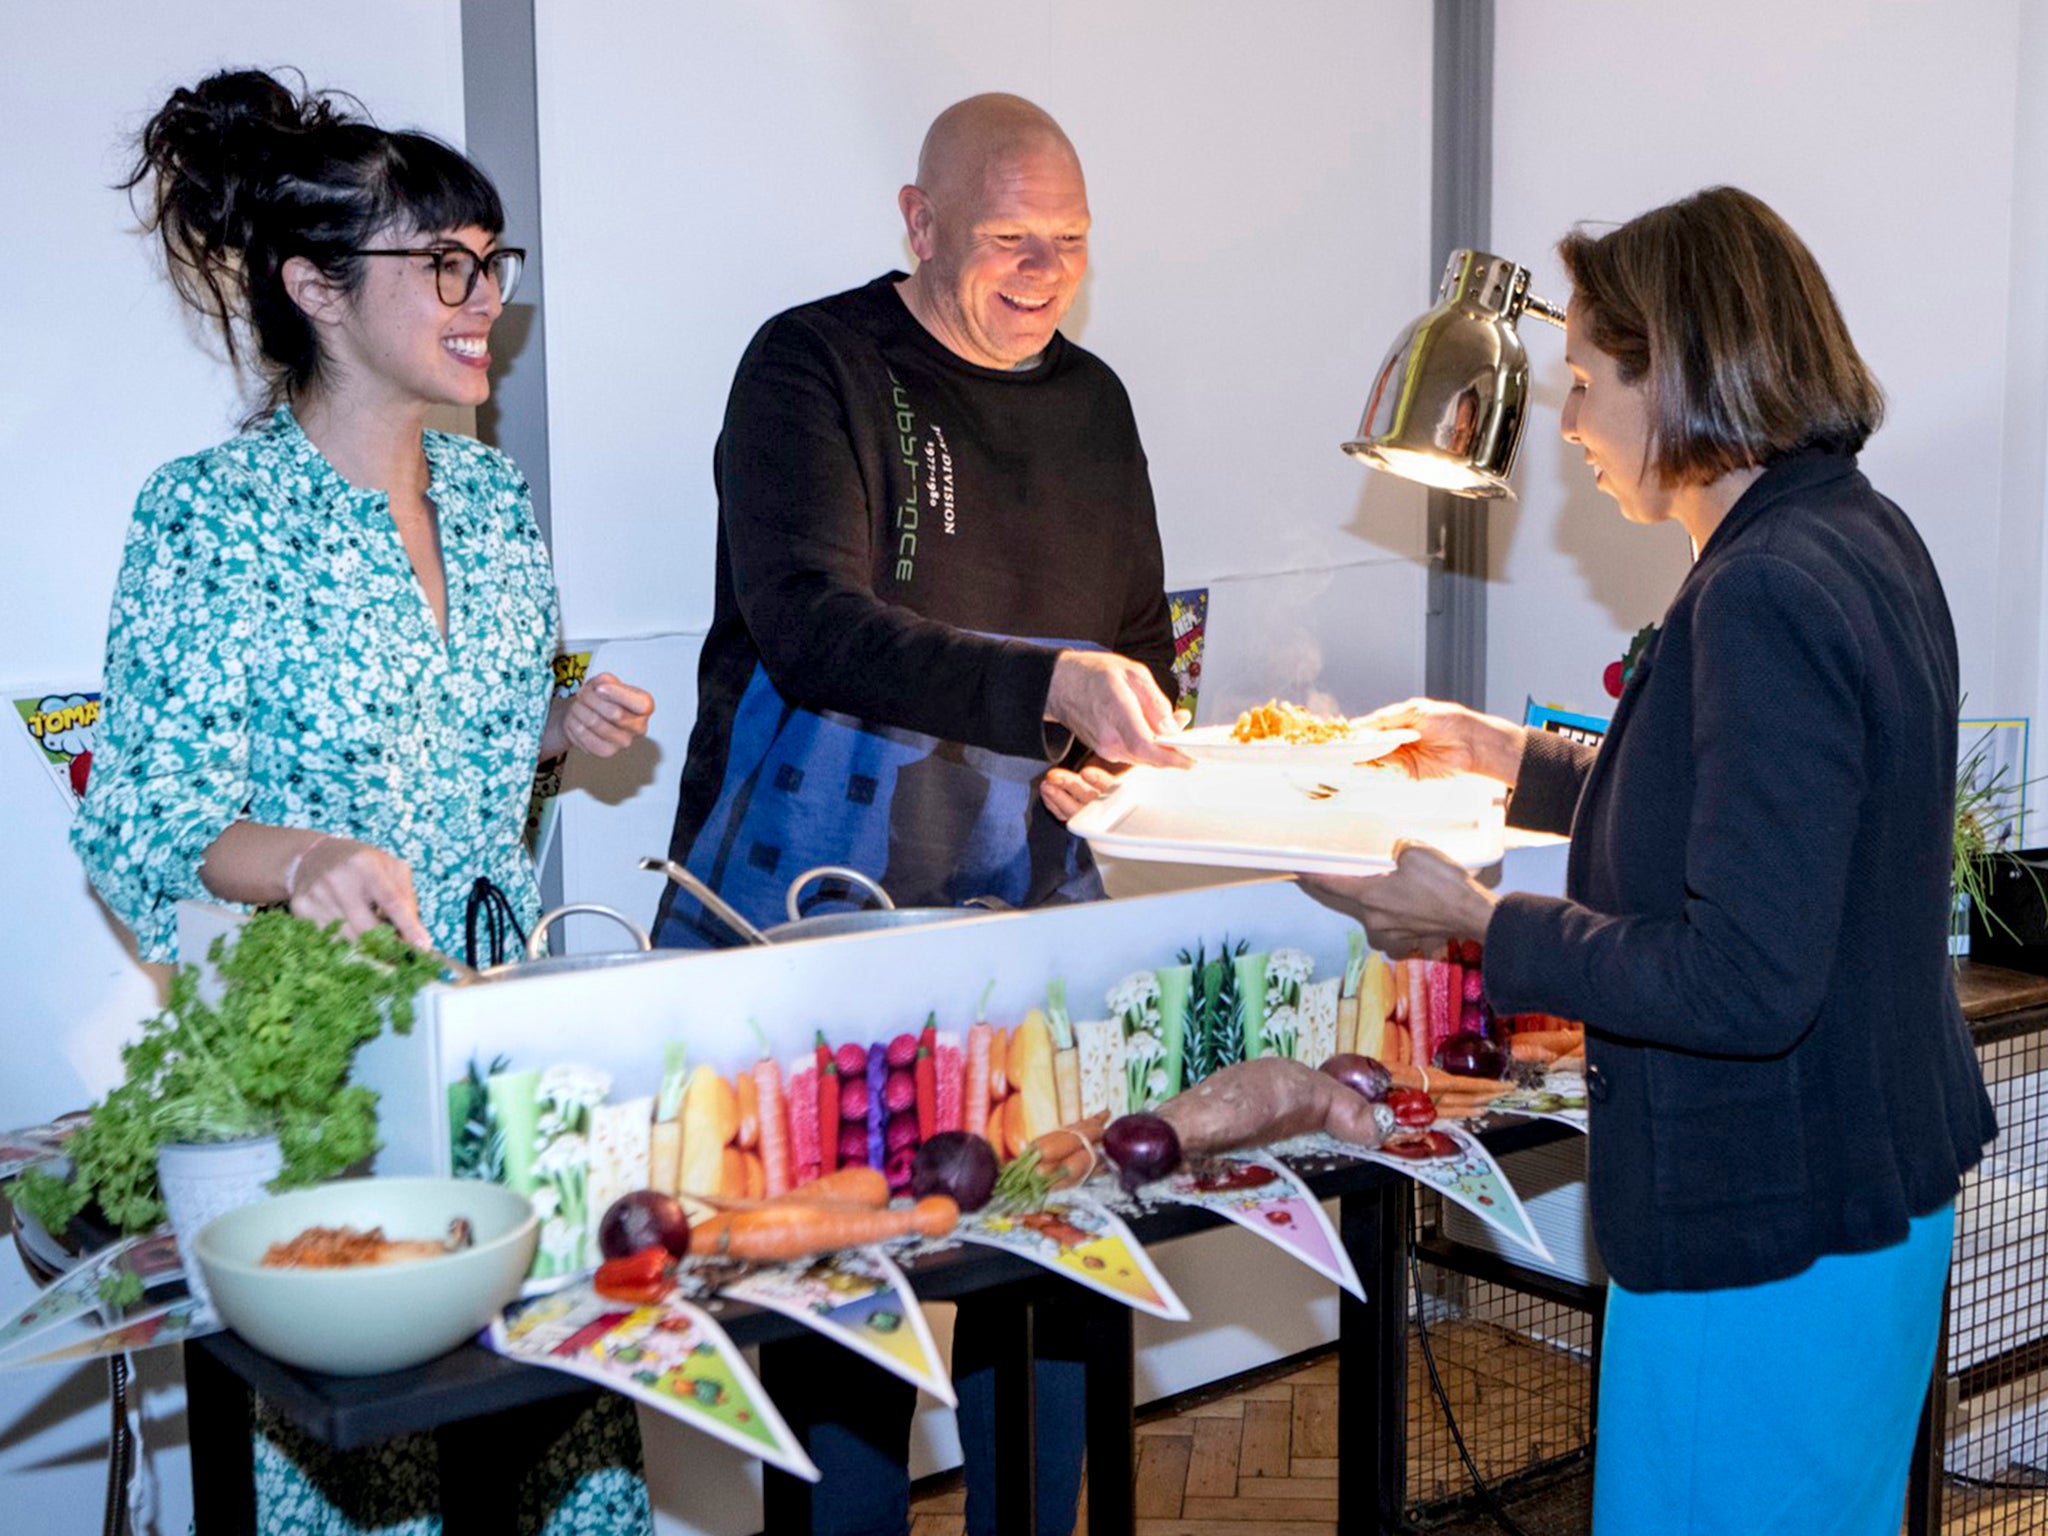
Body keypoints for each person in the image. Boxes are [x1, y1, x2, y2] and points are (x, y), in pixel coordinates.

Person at [1313, 186, 1996, 1536]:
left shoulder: (1762, 590)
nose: (1566, 429)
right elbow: (1774, 821)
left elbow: (1746, 976)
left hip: (1770, 1240)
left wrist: (1477, 920)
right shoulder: (1851, 532)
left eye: (1582, 383)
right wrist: (1513, 758)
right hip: (1858, 1211)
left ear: (1674, 376)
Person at [75, 68, 656, 1534]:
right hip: (324, 1100)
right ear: (317, 290)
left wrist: (548, 733)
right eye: (442, 264)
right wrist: (306, 858)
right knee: (363, 1485)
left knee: (564, 1463)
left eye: (490, 261)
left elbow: (443, 767)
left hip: (503, 1056)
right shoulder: (208, 515)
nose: (484, 297)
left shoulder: (494, 507)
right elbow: (148, 817)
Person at [649, 94, 1183, 1535]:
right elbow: (816, 629)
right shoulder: (810, 366)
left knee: (1061, 1259)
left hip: (1034, 906)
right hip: (818, 910)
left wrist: (1112, 756)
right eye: (1009, 240)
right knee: (838, 1305)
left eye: (1069, 244)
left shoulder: (1097, 400)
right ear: (918, 219)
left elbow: (1138, 632)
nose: (1043, 274)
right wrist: (1048, 683)